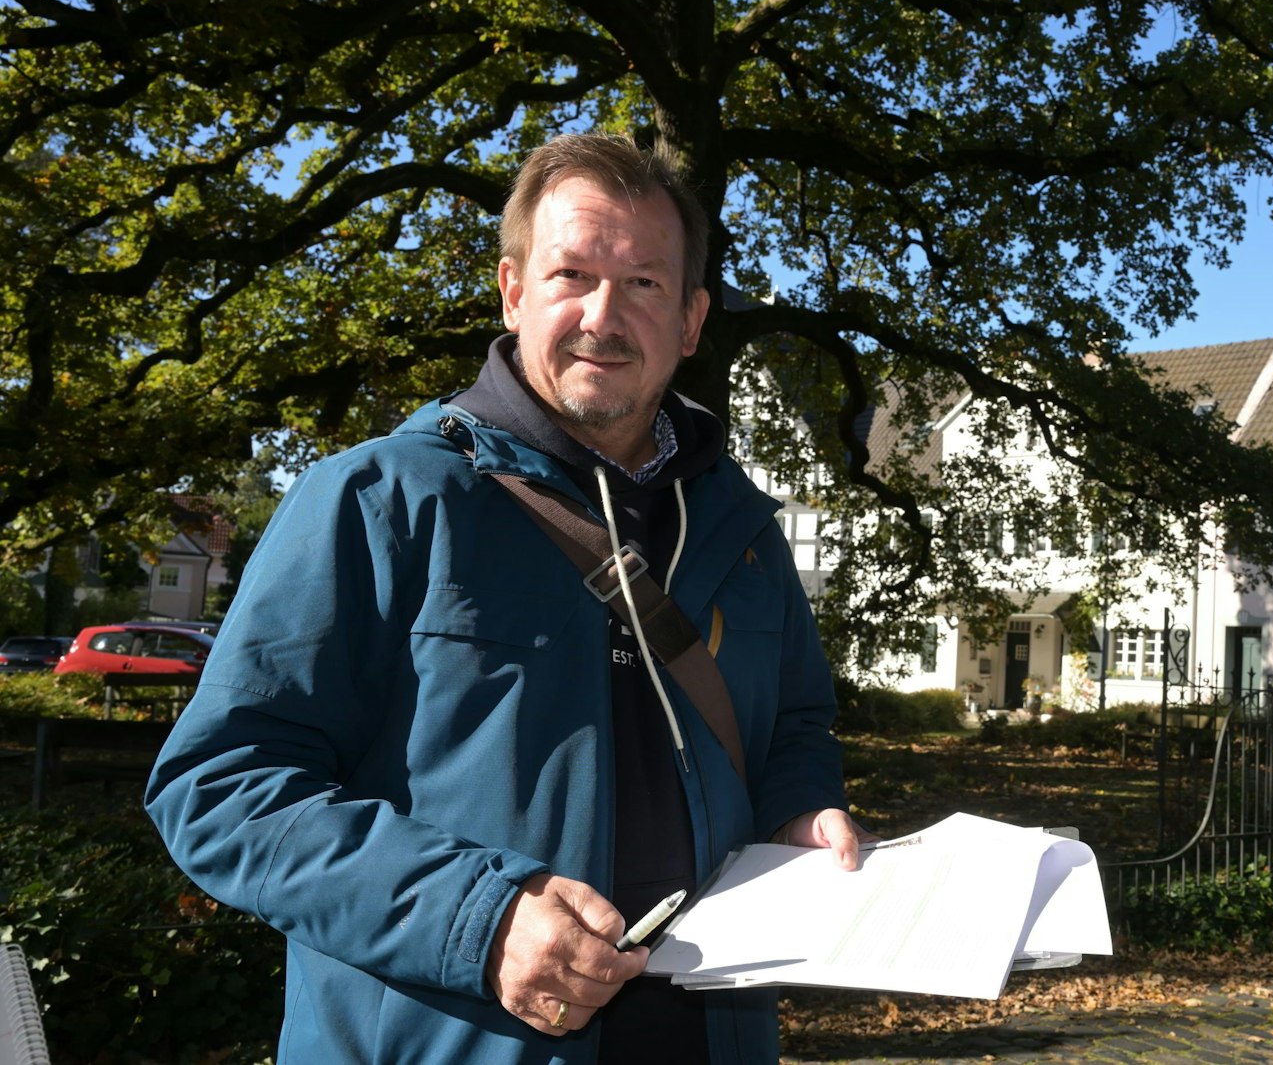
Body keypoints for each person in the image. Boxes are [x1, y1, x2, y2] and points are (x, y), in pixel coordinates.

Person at [147, 132, 866, 1064]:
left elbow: (795, 727)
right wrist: (479, 920)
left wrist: (800, 811)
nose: (604, 314)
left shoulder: (744, 532)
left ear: (690, 322)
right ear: (514, 291)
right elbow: (218, 787)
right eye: (572, 273)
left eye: (645, 283)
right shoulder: (382, 499)